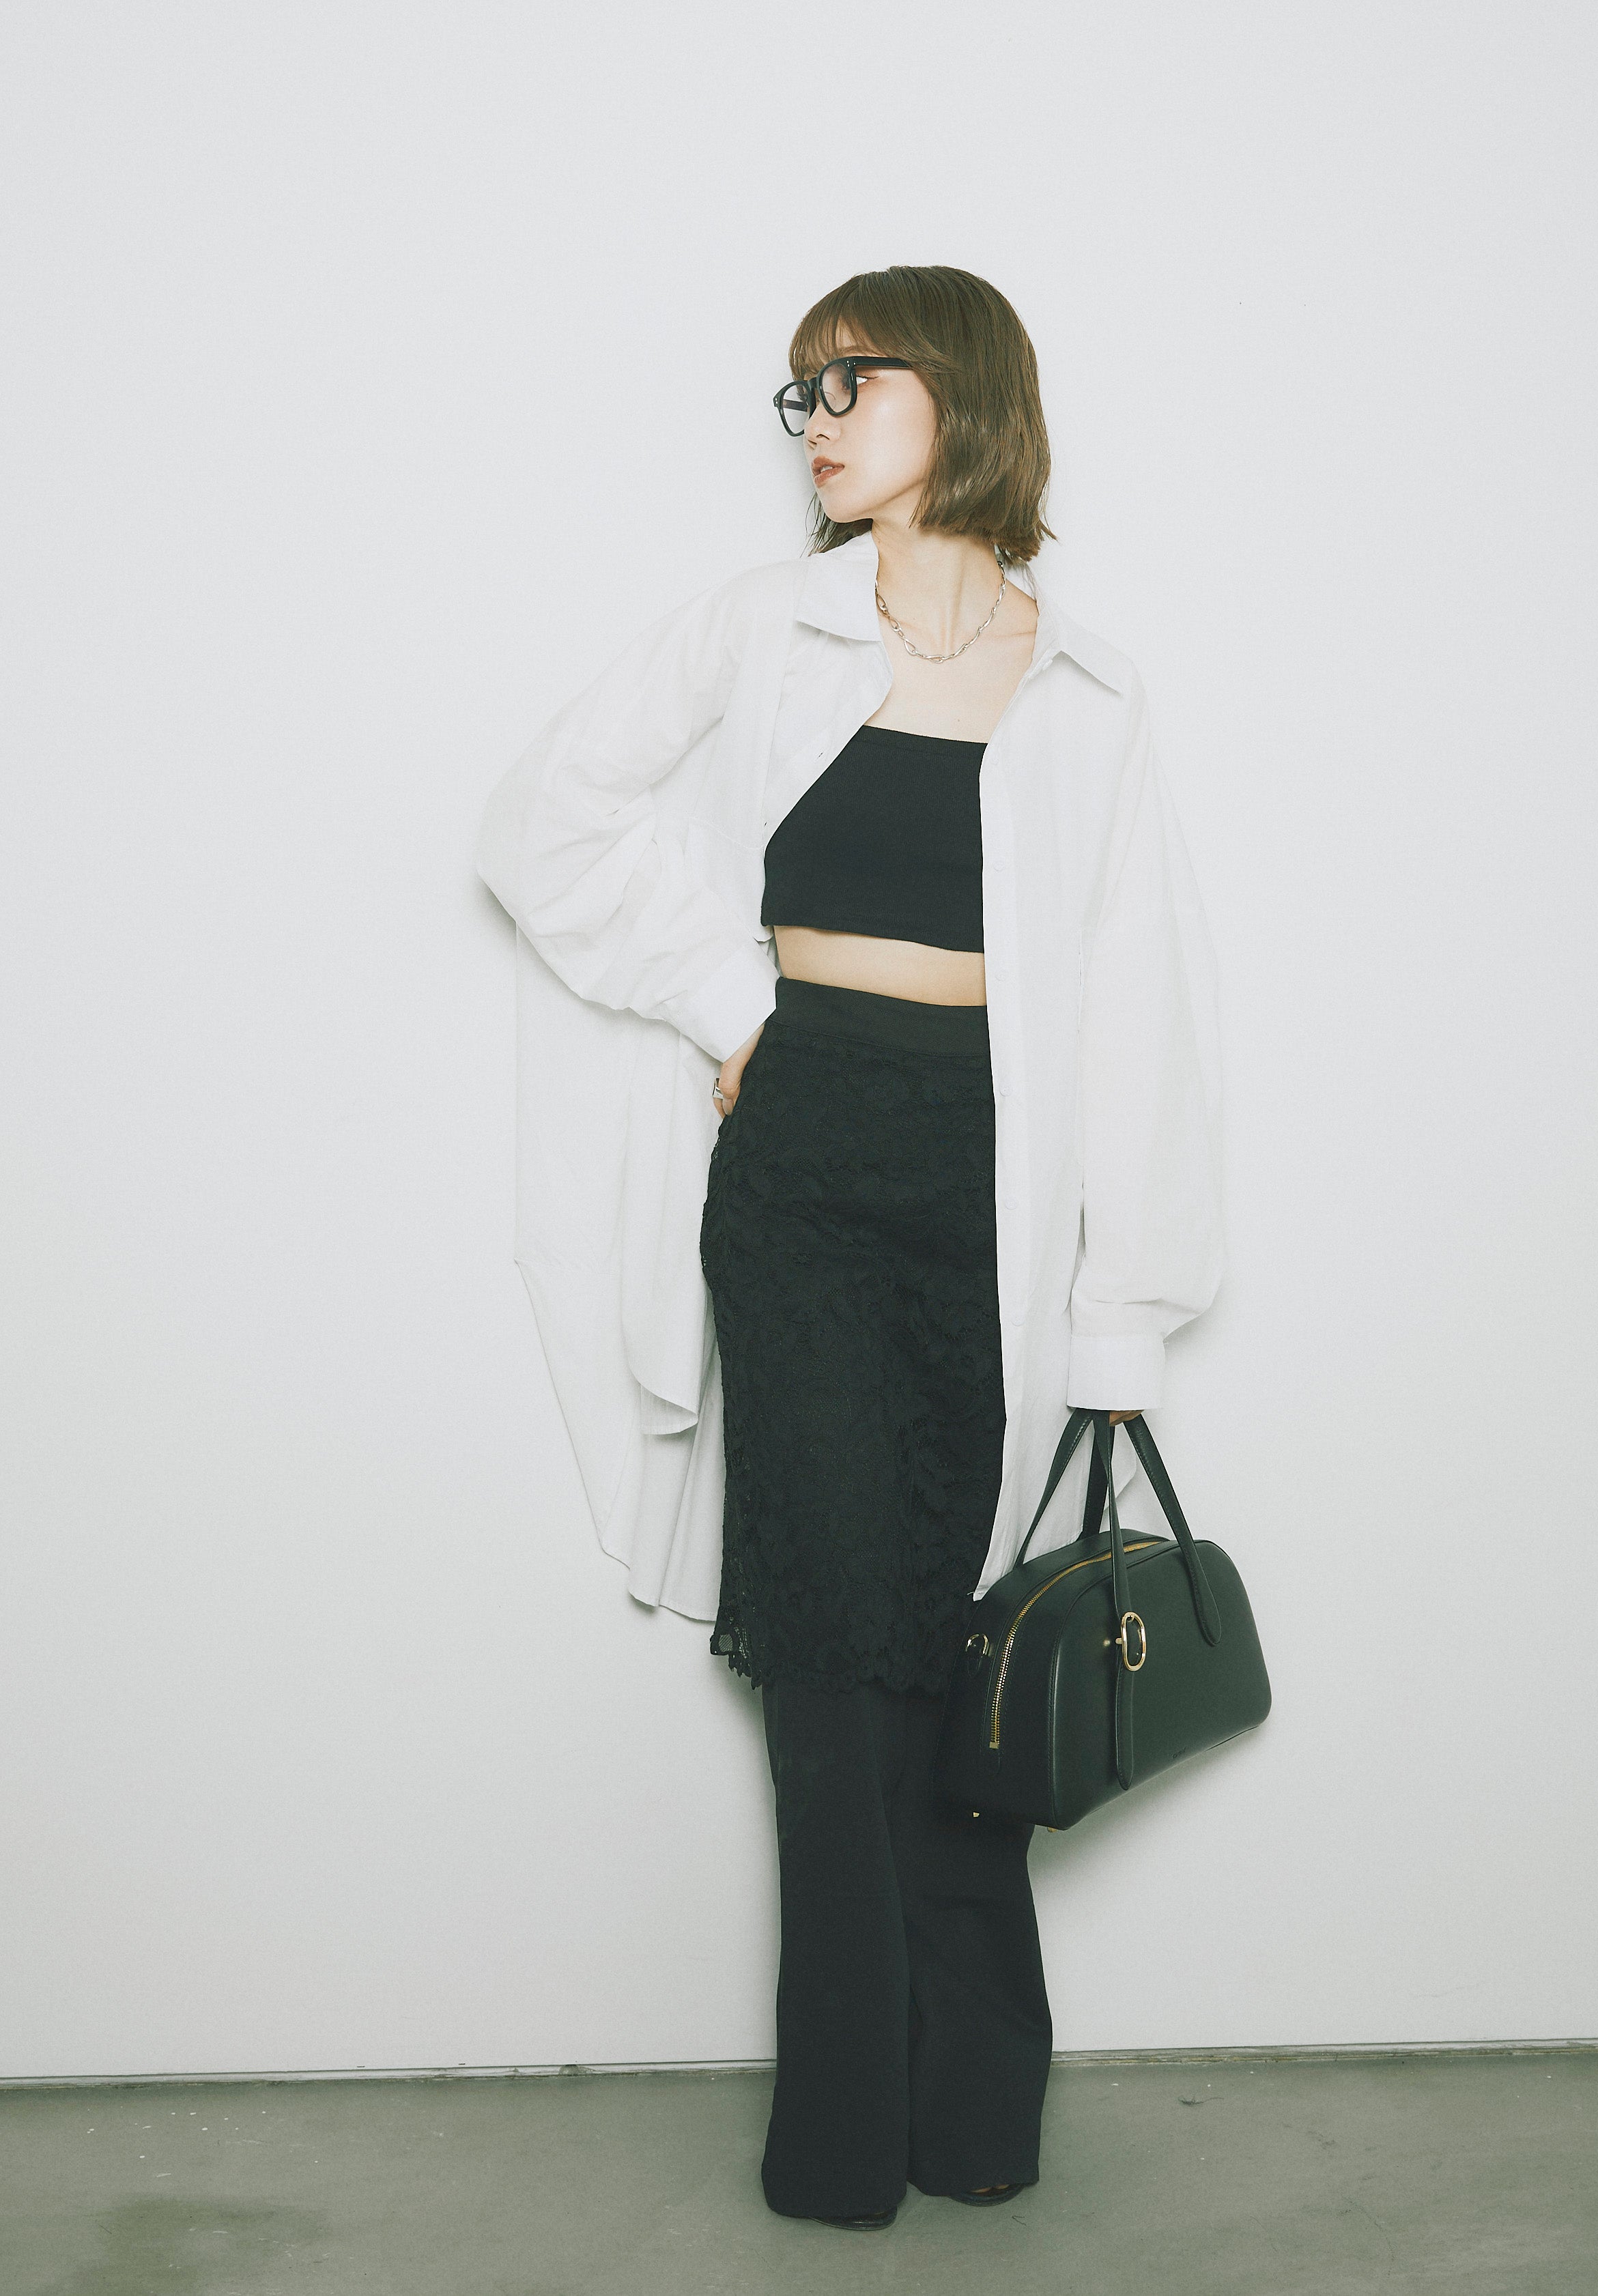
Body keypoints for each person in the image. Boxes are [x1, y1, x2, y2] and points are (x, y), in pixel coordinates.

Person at [476, 264, 1224, 2229]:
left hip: (990, 1172)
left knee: (958, 1633)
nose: (810, 419)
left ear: (957, 391)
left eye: (848, 381)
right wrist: (733, 1002)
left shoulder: (1087, 688)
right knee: (828, 1641)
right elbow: (543, 818)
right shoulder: (766, 624)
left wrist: (1120, 1318)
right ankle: (839, 2133)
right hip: (801, 1158)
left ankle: (973, 2109)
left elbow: (1137, 1012)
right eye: (794, 392)